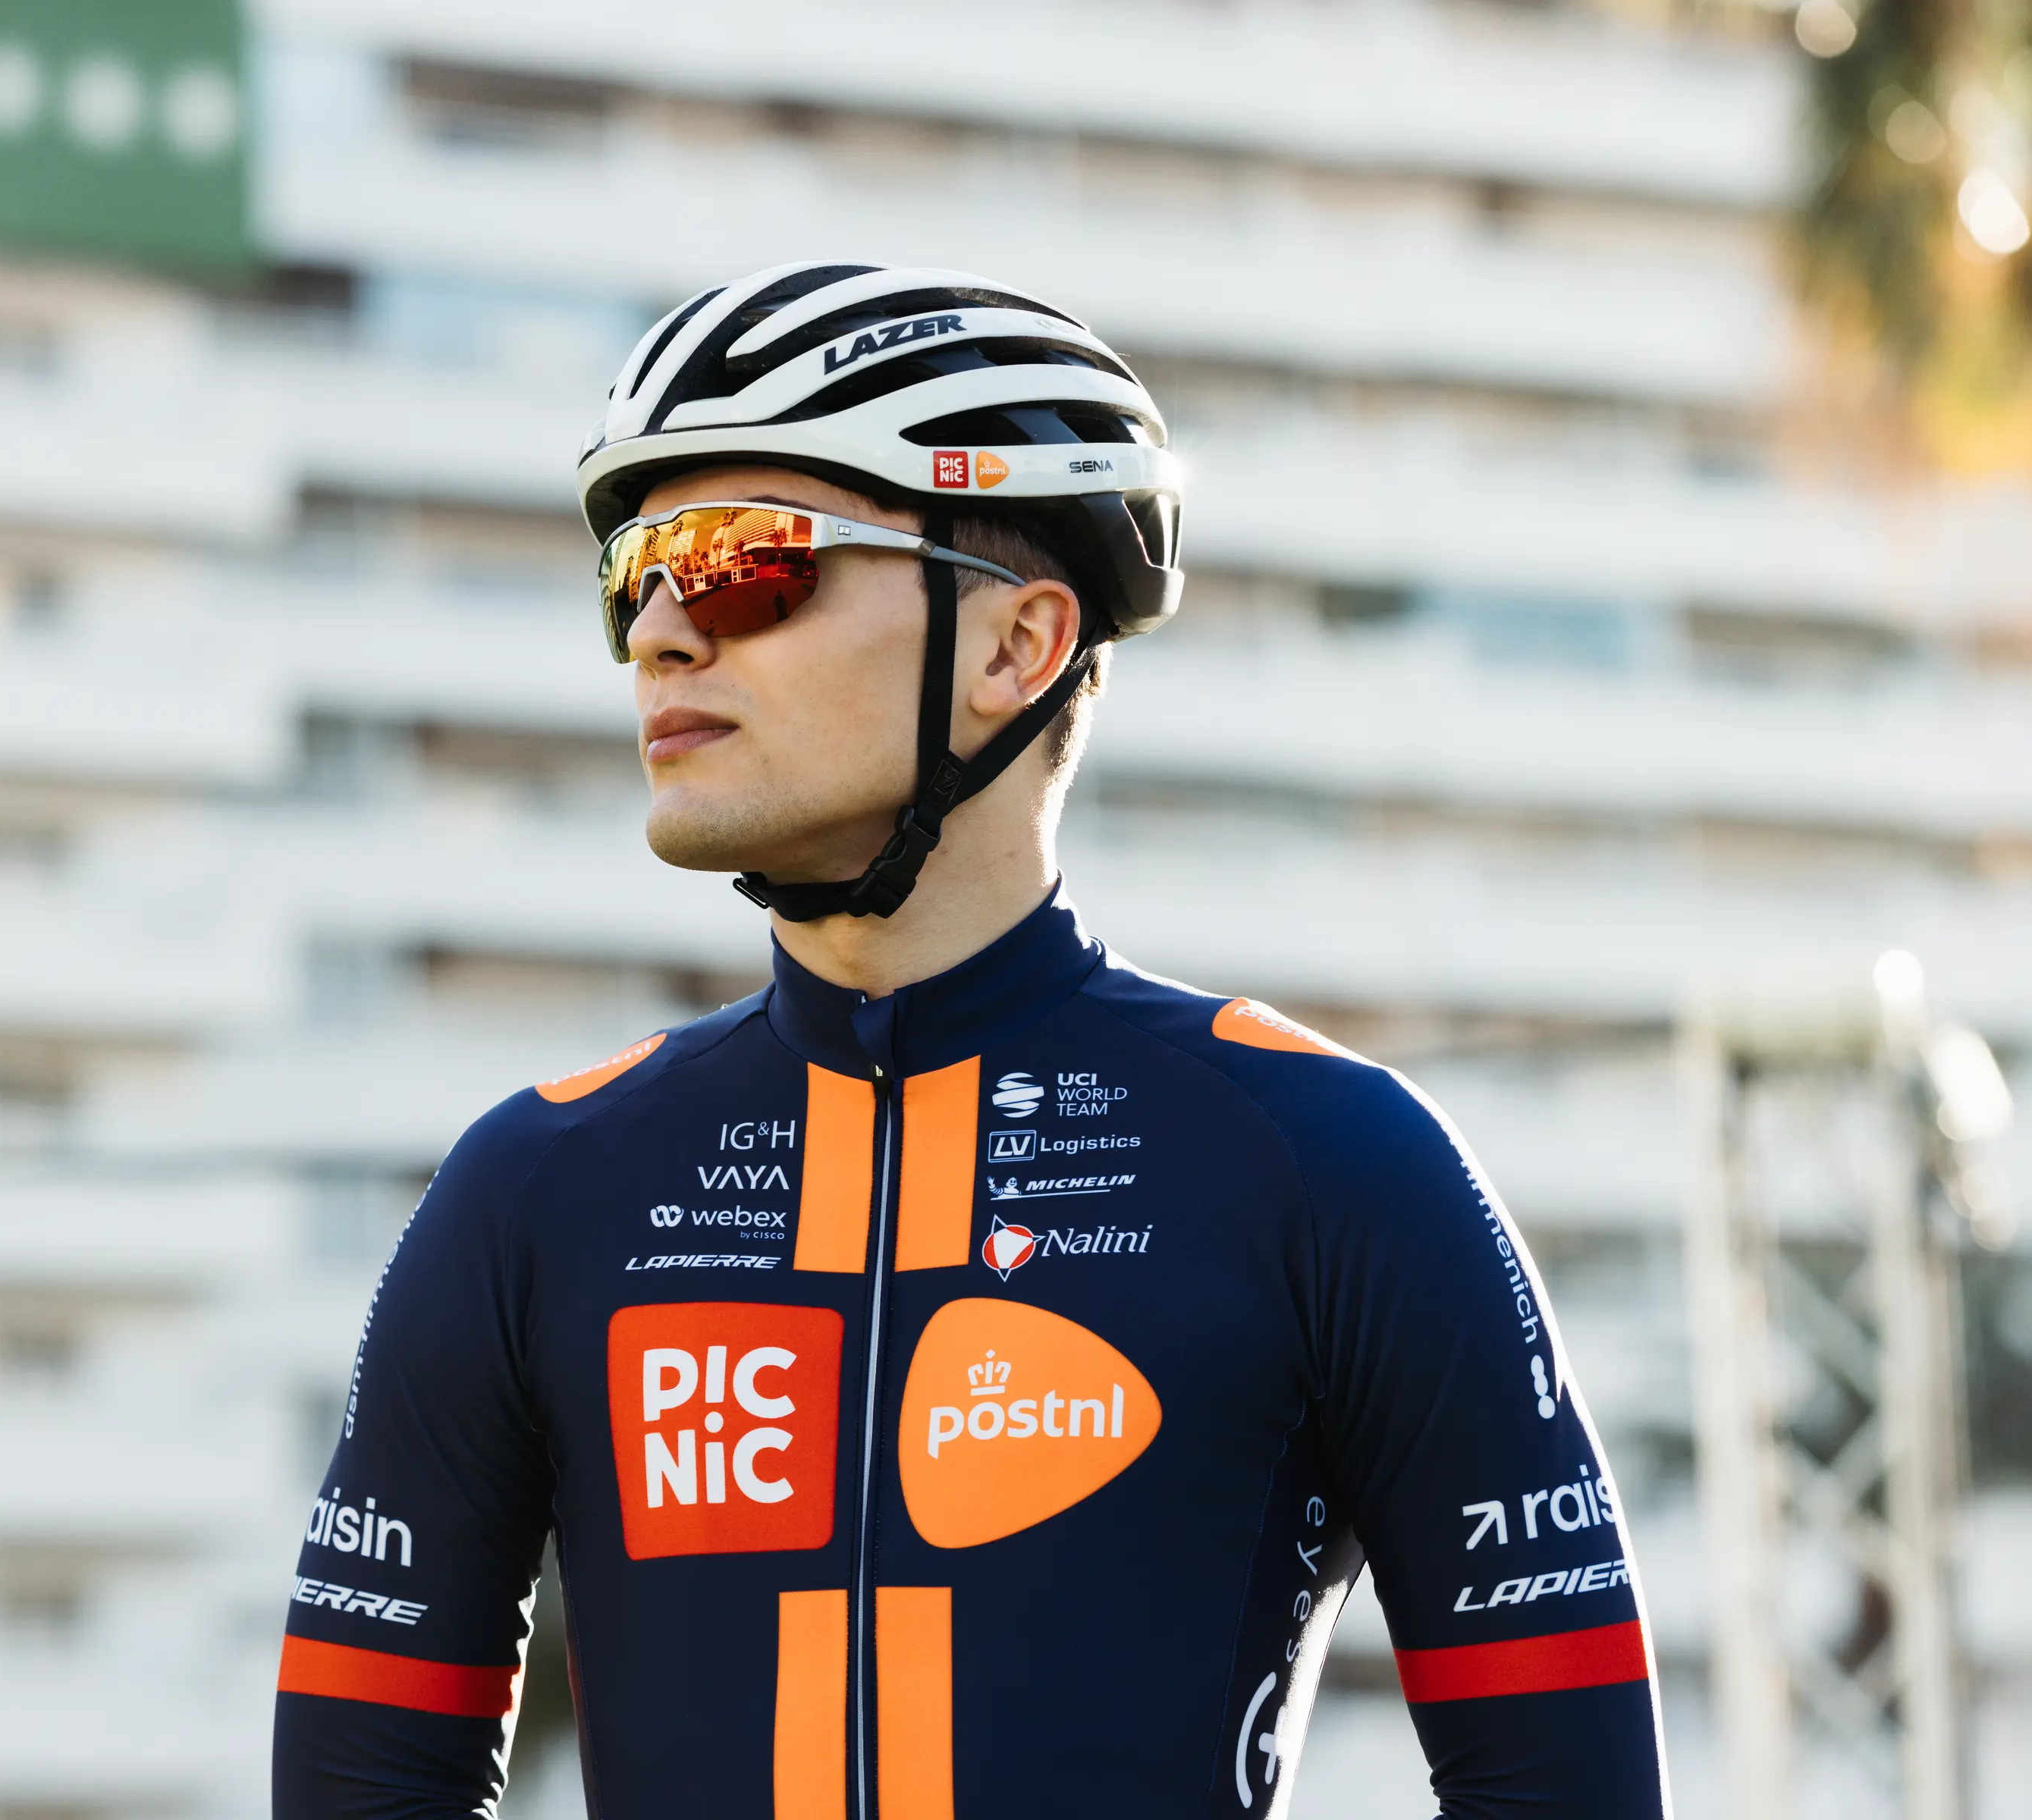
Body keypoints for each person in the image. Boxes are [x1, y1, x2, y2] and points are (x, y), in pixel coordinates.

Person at [272, 263, 1669, 1818]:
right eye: (635, 575)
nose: (662, 633)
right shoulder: (533, 1188)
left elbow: (1566, 1785)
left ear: (1018, 645)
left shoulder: (1334, 1163)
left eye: (744, 565)